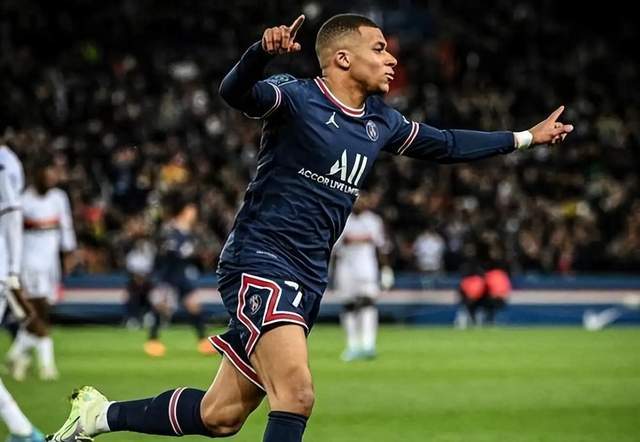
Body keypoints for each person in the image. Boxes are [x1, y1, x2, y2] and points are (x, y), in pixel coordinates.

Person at [47, 13, 573, 442]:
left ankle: (99, 416)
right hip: (261, 261)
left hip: (307, 277)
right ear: (343, 57)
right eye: (379, 48)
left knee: (220, 416)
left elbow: (449, 144)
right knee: (297, 396)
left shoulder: (381, 121)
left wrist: (525, 137)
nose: (392, 58)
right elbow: (235, 92)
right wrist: (259, 53)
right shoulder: (297, 97)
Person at [6, 158, 77, 381]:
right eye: (48, 175)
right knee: (38, 314)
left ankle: (15, 355)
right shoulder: (23, 201)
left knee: (38, 316)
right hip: (29, 264)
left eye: (54, 175)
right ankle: (47, 366)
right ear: (37, 175)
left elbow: (66, 227)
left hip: (50, 265)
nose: (52, 179)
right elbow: (12, 235)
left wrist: (69, 254)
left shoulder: (59, 198)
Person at [0, 142, 45, 441]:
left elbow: (12, 212)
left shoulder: (3, 161)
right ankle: (22, 431)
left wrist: (13, 272)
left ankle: (24, 432)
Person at [143, 191, 212, 357]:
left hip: (181, 273)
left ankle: (203, 341)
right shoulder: (171, 229)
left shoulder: (189, 232)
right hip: (168, 274)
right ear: (184, 211)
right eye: (191, 210)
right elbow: (168, 251)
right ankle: (152, 341)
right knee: (162, 306)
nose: (194, 213)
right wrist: (186, 252)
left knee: (193, 305)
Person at [333, 195, 388, 361]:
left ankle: (368, 344)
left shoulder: (374, 220)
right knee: (349, 305)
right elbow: (335, 247)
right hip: (346, 268)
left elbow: (381, 246)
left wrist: (385, 269)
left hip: (367, 268)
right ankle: (352, 345)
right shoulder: (342, 218)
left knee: (368, 304)